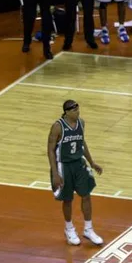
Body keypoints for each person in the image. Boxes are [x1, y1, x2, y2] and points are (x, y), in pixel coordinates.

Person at [47, 100, 104, 246]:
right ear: (66, 112)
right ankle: (69, 228)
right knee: (67, 199)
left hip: (79, 163)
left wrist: (92, 162)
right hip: (63, 165)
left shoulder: (81, 123)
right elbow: (50, 150)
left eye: (78, 110)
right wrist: (55, 173)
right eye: (74, 110)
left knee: (86, 195)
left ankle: (88, 229)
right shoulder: (58, 127)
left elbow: (82, 143)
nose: (78, 112)